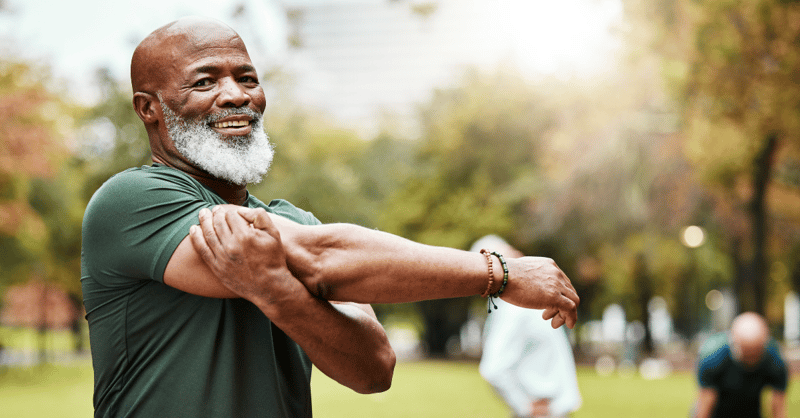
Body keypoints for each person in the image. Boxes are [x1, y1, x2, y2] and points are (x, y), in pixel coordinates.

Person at [81, 16, 579, 418]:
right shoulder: (131, 199)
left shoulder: (293, 219)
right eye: (205, 81)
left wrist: (275, 289)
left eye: (247, 78)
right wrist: (499, 273)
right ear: (149, 108)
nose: (236, 95)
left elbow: (374, 369)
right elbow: (320, 258)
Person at [474, 235, 581, 418]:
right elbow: (493, 369)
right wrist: (524, 406)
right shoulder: (514, 308)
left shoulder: (526, 302)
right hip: (544, 411)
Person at [694, 312, 789, 418]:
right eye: (747, 354)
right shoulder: (713, 357)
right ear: (734, 344)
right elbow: (705, 403)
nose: (751, 360)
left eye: (756, 353)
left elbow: (778, 406)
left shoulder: (775, 359)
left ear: (764, 343)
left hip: (751, 411)